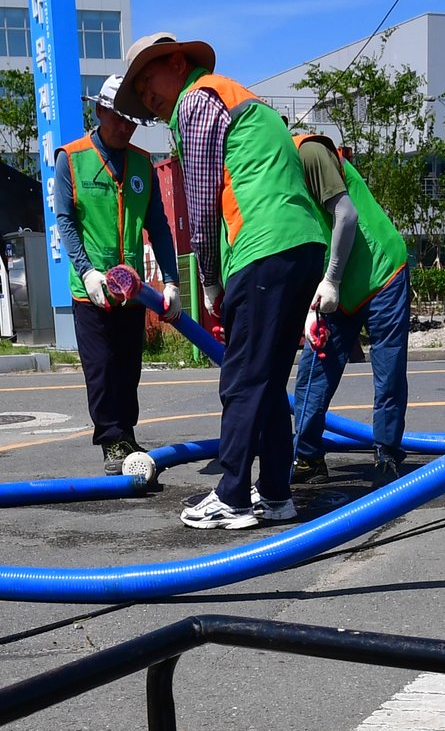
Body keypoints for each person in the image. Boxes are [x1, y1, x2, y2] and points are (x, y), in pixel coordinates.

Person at [115, 32, 327, 530]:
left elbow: (205, 198)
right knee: (269, 380)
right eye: (143, 97)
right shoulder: (238, 97)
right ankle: (275, 494)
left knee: (241, 379)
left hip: (264, 248)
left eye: (151, 83)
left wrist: (208, 280)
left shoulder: (198, 99)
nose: (152, 100)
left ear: (175, 62)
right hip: (300, 246)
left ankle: (232, 493)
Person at [55, 77, 182, 473]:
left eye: (132, 121)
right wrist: (87, 271)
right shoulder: (71, 159)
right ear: (99, 112)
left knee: (129, 367)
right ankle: (111, 440)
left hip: (133, 291)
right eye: (119, 119)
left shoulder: (143, 162)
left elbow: (158, 226)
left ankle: (126, 435)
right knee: (103, 368)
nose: (125, 128)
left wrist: (172, 279)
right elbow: (66, 221)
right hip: (90, 290)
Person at [288, 131, 411, 490]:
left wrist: (330, 279)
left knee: (387, 369)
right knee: (314, 368)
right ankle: (308, 456)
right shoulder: (271, 178)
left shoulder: (308, 152)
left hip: (380, 271)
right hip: (335, 282)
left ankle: (387, 453)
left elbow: (346, 215)